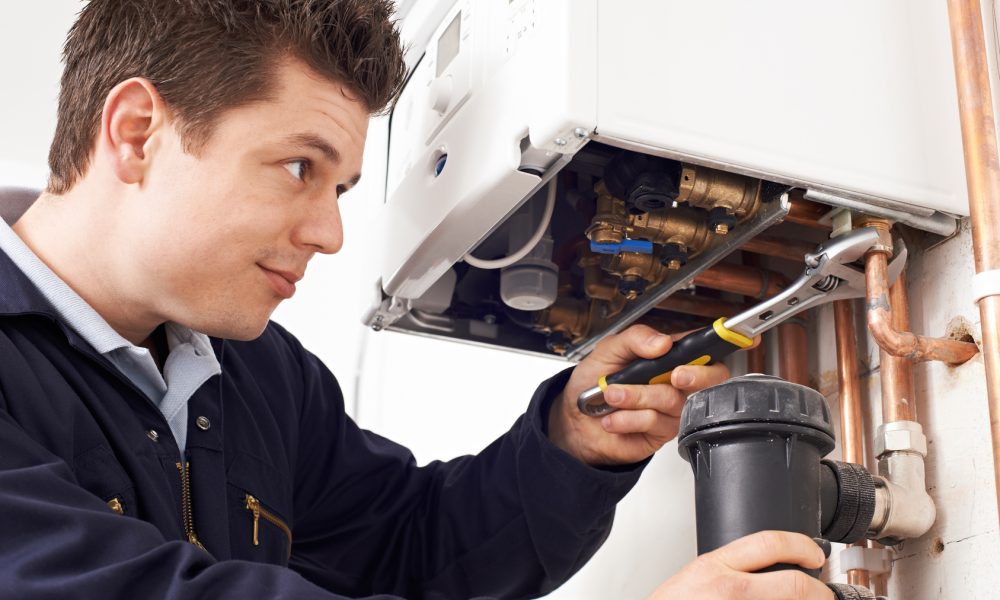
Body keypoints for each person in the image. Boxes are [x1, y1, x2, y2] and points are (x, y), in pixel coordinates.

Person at [0, 1, 832, 598]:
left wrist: (573, 444)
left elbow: (411, 545)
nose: (328, 234)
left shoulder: (254, 373)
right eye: (300, 168)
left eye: (341, 188)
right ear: (138, 131)